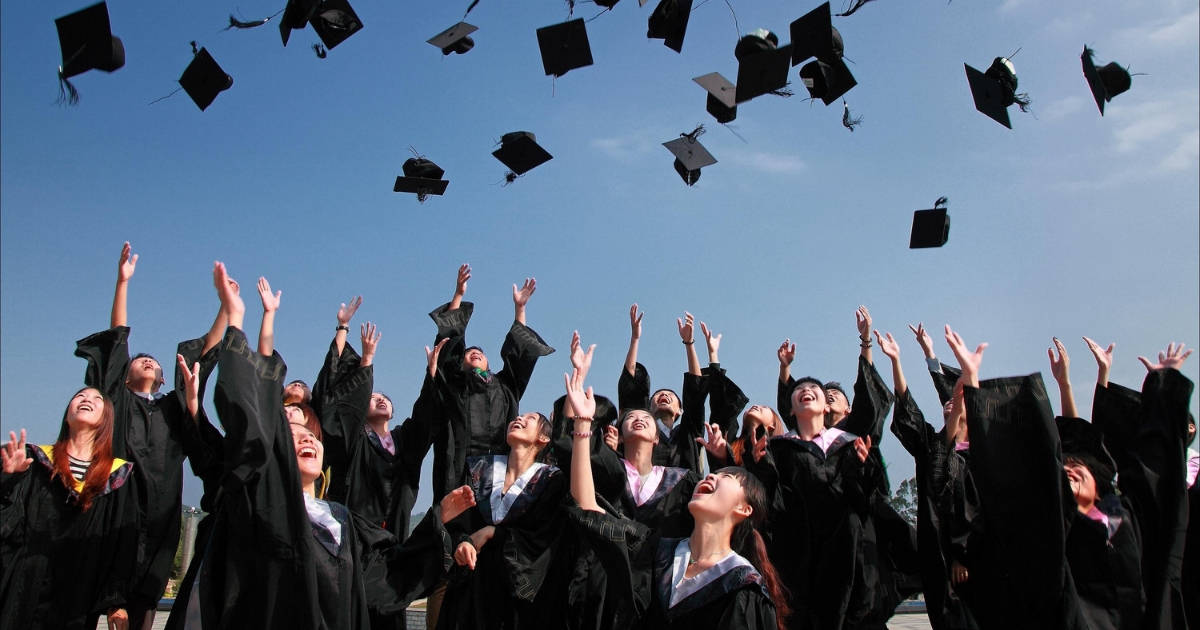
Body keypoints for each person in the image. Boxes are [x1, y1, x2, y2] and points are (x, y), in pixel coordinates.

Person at [165, 262, 473, 630]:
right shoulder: (255, 505)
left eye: (310, 434)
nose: (306, 438)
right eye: (290, 434)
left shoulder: (340, 523)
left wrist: (436, 520)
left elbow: (386, 576)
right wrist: (237, 321)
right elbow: (250, 419)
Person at [565, 363, 786, 630]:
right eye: (713, 475)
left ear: (745, 508)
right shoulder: (656, 551)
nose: (711, 476)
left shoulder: (745, 588)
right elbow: (589, 507)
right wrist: (582, 425)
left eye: (726, 476)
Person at [73, 242, 223, 630]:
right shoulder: (117, 403)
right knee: (94, 589)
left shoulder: (173, 406)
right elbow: (117, 337)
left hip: (160, 509)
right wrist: (122, 283)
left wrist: (226, 307)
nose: (148, 360)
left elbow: (204, 357)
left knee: (144, 602)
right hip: (114, 503)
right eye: (141, 359)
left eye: (154, 362)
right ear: (123, 375)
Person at [1, 388, 138, 630]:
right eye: (80, 396)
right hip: (25, 586)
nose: (87, 399)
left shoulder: (117, 475)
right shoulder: (34, 461)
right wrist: (8, 479)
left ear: (107, 421)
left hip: (79, 593)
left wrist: (115, 599)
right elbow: (7, 525)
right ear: (67, 416)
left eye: (98, 400)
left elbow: (122, 542)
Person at [882, 328, 980, 630]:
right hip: (938, 557)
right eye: (947, 401)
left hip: (976, 558)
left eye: (956, 398)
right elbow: (907, 406)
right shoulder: (932, 446)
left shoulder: (984, 452)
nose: (948, 402)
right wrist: (897, 361)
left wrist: (932, 356)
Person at [437, 407, 567, 629]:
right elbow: (458, 522)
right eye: (519, 416)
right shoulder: (479, 469)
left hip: (517, 591)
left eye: (530, 418)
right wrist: (462, 542)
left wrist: (495, 533)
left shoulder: (551, 480)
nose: (519, 418)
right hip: (472, 585)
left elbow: (545, 537)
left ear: (544, 438)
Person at [617, 306, 721, 472]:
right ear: (648, 409)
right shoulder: (641, 429)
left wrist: (689, 343)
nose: (664, 394)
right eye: (657, 396)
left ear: (680, 410)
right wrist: (635, 338)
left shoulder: (688, 432)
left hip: (684, 495)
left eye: (671, 396)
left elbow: (696, 389)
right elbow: (629, 389)